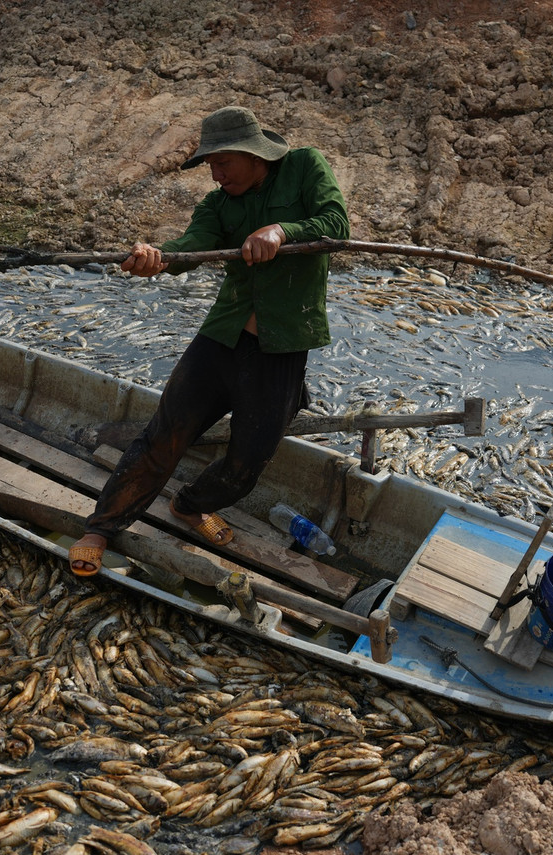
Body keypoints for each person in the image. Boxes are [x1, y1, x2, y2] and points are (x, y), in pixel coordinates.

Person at [69, 105, 350, 577]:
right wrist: (156, 257)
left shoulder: (304, 166)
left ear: (252, 153)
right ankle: (100, 528)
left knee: (249, 460)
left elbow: (336, 225)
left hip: (281, 350)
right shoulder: (218, 205)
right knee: (164, 435)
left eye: (222, 163)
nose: (215, 175)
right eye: (210, 167)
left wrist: (282, 230)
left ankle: (190, 504)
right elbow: (191, 246)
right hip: (221, 338)